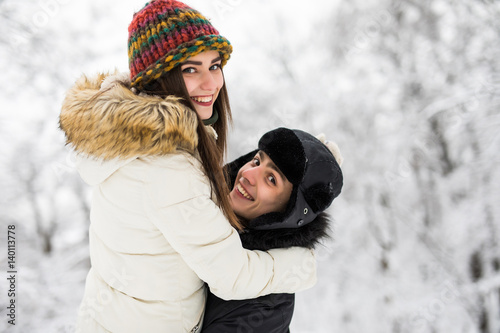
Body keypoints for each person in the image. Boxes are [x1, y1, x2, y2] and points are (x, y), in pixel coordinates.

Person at [59, 1, 316, 332]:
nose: (210, 84)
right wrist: (301, 265)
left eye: (215, 65)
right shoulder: (166, 167)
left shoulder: (129, 144)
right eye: (190, 69)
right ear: (159, 79)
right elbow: (231, 276)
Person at [202, 127, 344, 333]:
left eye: (271, 179)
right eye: (257, 161)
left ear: (289, 213)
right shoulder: (195, 219)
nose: (248, 174)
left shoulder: (265, 308)